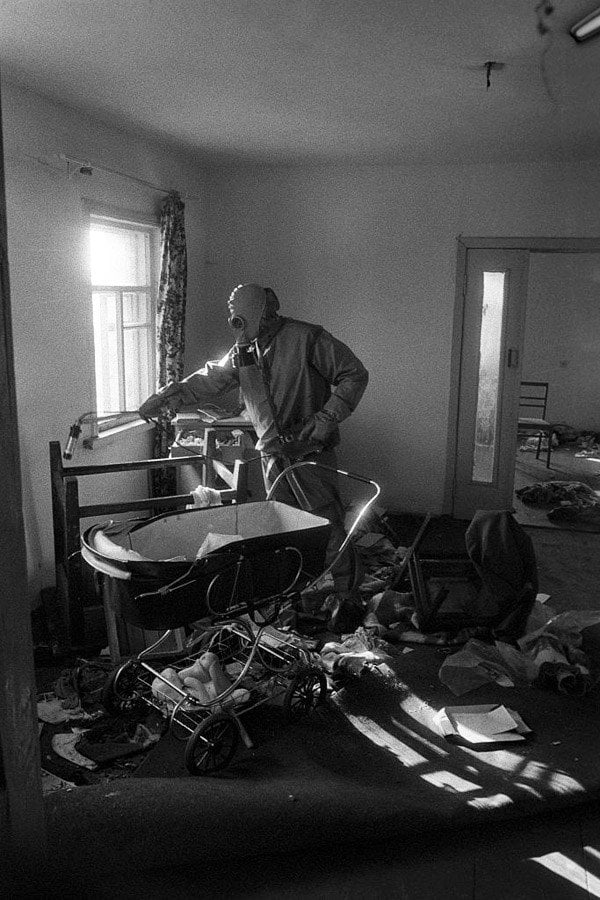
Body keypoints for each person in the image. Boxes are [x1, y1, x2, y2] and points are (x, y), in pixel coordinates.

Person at [139, 283, 369, 621]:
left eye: (245, 319)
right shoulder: (245, 349)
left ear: (263, 311)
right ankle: (298, 595)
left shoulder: (307, 338)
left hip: (309, 453)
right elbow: (212, 378)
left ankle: (348, 598)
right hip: (274, 453)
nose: (241, 329)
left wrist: (325, 419)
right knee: (285, 530)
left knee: (326, 525)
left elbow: (354, 374)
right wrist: (170, 395)